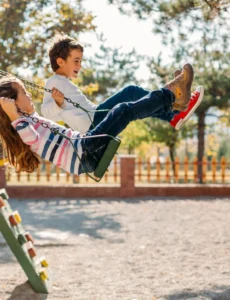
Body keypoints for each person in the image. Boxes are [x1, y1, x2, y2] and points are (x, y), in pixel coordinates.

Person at [0, 64, 193, 176]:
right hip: (85, 152)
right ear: (13, 105)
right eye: (24, 93)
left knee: (123, 108)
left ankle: (173, 103)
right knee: (122, 110)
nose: (29, 95)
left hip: (84, 147)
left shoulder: (27, 120)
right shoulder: (22, 126)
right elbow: (32, 138)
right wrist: (13, 115)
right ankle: (170, 95)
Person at [41, 33, 204, 133]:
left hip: (94, 117)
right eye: (76, 61)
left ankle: (174, 112)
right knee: (131, 92)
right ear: (61, 61)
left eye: (81, 61)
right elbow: (46, 114)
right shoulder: (53, 82)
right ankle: (174, 108)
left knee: (133, 100)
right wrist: (57, 103)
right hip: (93, 122)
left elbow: (61, 112)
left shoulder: (63, 82)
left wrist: (59, 104)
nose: (80, 65)